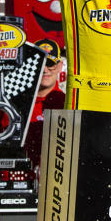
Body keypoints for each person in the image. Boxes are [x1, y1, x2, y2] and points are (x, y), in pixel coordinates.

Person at [23, 38, 64, 170]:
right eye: (40, 63)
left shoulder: (67, 103)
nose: (45, 70)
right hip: (21, 178)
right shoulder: (18, 102)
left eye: (50, 63)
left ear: (59, 66)